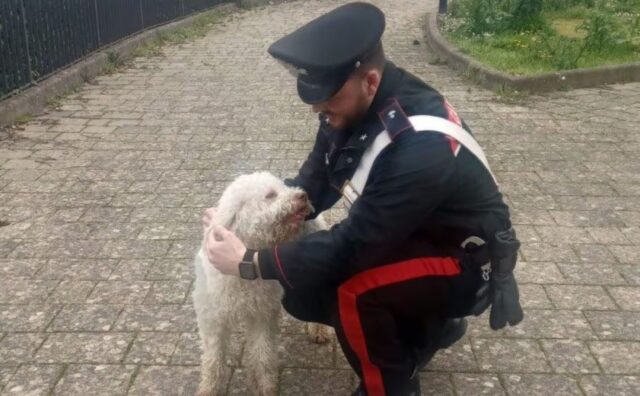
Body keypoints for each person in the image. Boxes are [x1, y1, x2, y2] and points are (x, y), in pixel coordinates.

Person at [204, 2, 523, 395]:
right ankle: (428, 329)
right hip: (414, 236)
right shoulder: (350, 110)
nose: (321, 111)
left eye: (328, 101)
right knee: (302, 287)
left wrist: (251, 262)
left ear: (370, 81)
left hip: (465, 262)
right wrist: (250, 214)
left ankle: (389, 384)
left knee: (351, 291)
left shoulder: (419, 147)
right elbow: (312, 184)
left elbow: (354, 246)